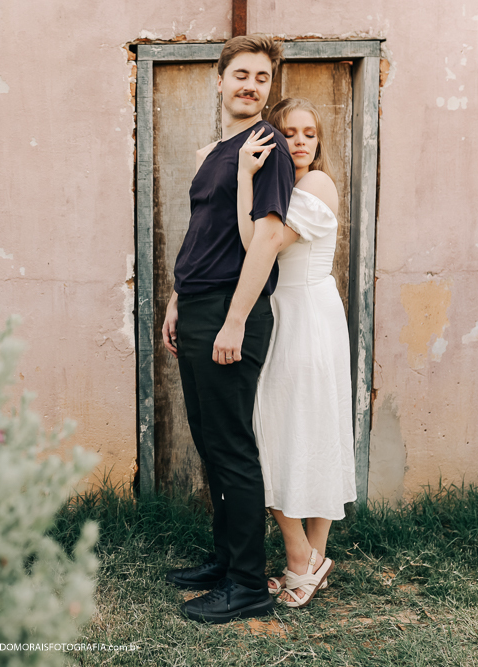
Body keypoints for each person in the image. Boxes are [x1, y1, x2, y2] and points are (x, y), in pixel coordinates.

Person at [161, 34, 295, 624]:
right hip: (200, 304)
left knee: (232, 447)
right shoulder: (219, 150)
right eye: (241, 74)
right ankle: (226, 561)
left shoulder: (268, 146)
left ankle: (247, 586)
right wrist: (177, 299)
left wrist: (235, 319)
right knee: (212, 443)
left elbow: (265, 241)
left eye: (262, 77)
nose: (251, 85)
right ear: (219, 80)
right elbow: (204, 231)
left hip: (230, 310)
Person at [234, 98, 357, 609]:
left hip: (310, 315)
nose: (301, 141)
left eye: (309, 132)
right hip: (285, 312)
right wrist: (247, 177)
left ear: (319, 140)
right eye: (289, 132)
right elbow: (253, 242)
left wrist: (245, 181)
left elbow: (260, 245)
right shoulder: (281, 188)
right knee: (282, 429)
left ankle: (303, 557)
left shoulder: (317, 184)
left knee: (304, 428)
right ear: (275, 139)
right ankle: (308, 561)